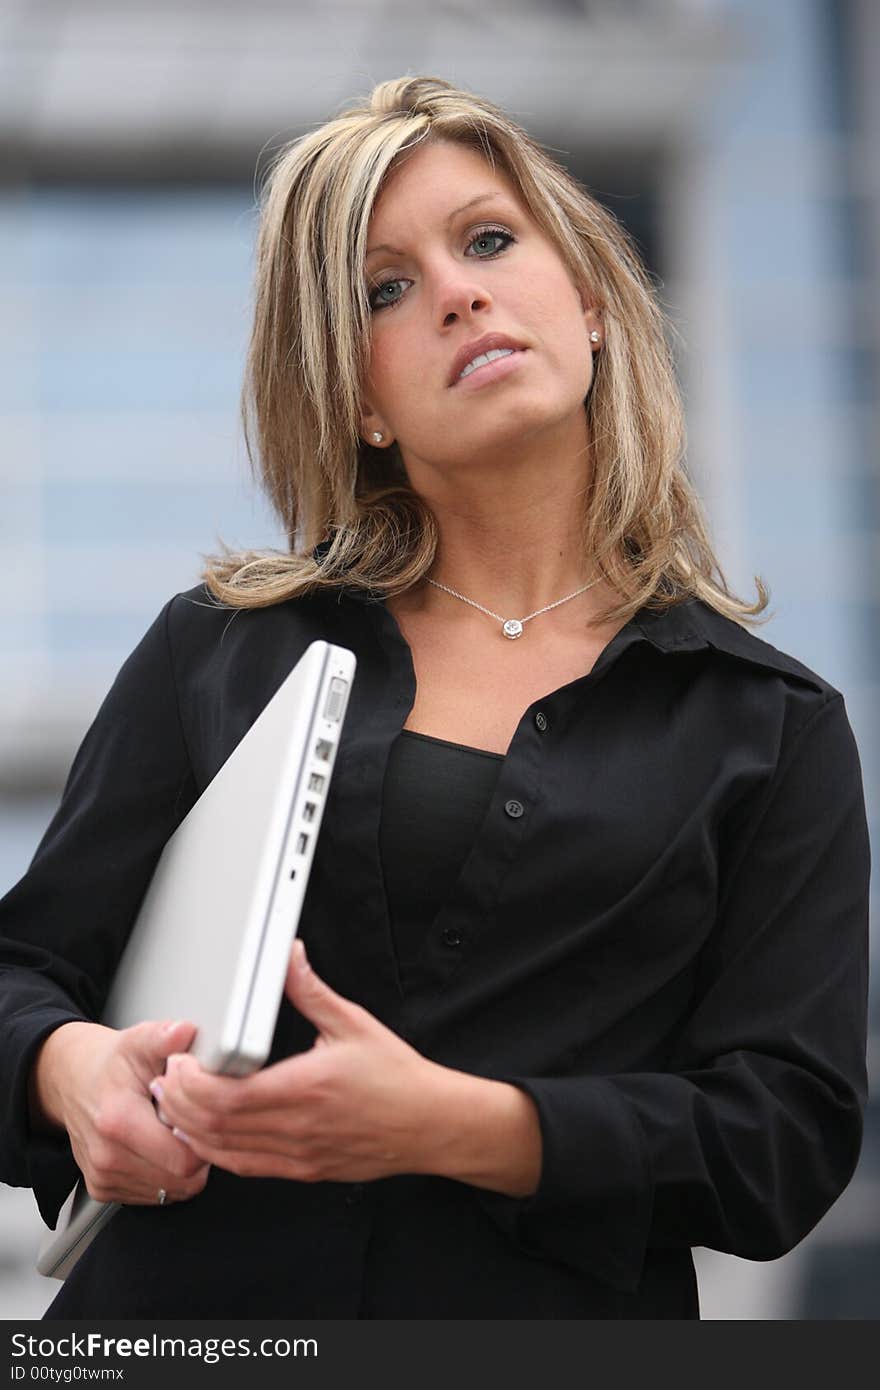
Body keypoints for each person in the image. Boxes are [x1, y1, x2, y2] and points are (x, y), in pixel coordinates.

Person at [0, 76, 870, 1320]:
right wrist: (73, 1072)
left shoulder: (771, 726)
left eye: (489, 240)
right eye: (384, 290)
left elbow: (783, 1139)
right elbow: (20, 971)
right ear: (357, 399)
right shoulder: (225, 651)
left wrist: (453, 1125)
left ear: (589, 301)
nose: (458, 292)